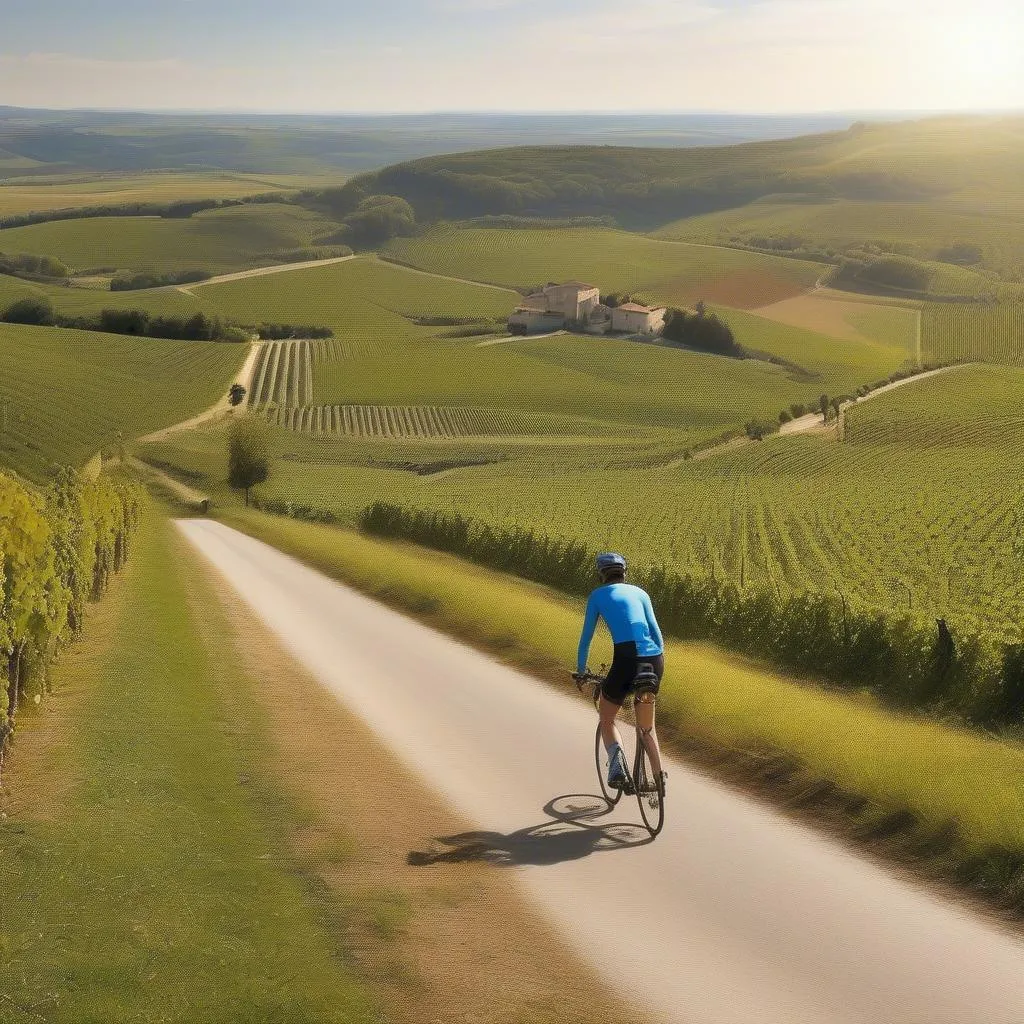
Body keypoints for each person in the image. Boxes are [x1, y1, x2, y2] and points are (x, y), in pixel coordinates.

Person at [574, 552, 666, 791]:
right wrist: (656, 661)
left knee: (607, 718)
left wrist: (582, 671)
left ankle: (617, 769)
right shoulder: (641, 593)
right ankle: (658, 776)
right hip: (655, 660)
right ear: (624, 572)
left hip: (626, 659)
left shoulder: (597, 596)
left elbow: (586, 639)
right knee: (647, 726)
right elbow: (657, 634)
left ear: (601, 574)